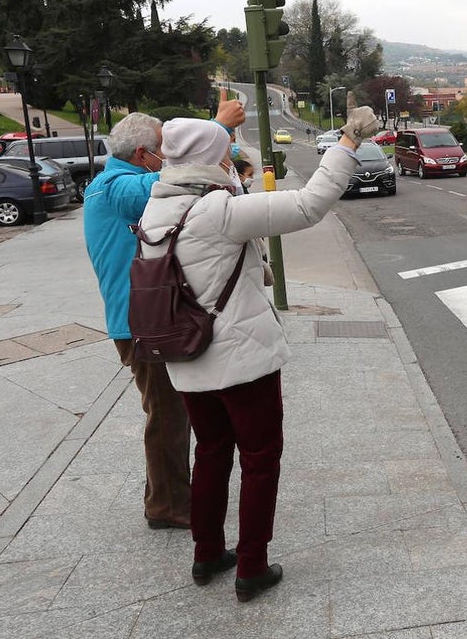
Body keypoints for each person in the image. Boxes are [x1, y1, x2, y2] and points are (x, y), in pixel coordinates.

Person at [137, 107, 380, 602]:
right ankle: (252, 565)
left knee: (209, 452)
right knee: (260, 457)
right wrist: (349, 142)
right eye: (224, 152)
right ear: (210, 159)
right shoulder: (217, 212)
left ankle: (207, 554)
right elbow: (311, 204)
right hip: (241, 360)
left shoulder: (157, 208)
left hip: (186, 357)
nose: (230, 158)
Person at [83, 100, 247, 530]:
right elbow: (173, 182)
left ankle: (168, 496)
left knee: (174, 412)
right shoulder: (114, 186)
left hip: (149, 318)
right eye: (163, 150)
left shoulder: (123, 180)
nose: (169, 158)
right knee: (169, 417)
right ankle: (168, 506)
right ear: (142, 155)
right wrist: (214, 129)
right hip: (142, 323)